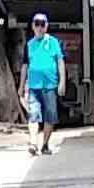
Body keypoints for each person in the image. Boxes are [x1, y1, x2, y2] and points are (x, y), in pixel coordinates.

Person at [23, 11, 65, 154]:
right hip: (34, 86)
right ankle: (33, 143)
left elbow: (60, 61)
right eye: (37, 24)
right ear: (33, 26)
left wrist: (62, 82)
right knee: (33, 115)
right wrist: (22, 86)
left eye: (42, 24)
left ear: (46, 26)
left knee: (50, 116)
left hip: (50, 86)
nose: (40, 27)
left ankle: (45, 144)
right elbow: (25, 66)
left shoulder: (53, 42)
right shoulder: (29, 45)